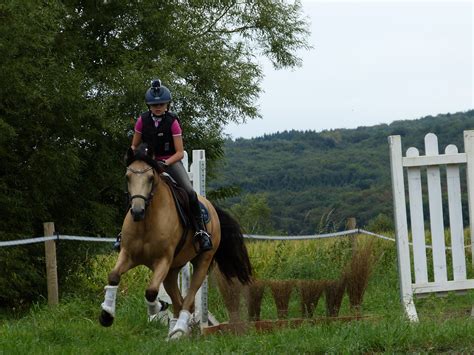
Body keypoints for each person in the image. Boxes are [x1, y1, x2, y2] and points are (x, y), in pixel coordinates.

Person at [117, 79, 212, 253]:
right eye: (154, 105)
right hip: (147, 162)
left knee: (189, 192)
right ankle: (122, 234)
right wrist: (130, 157)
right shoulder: (142, 121)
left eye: (161, 104)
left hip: (170, 161)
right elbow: (134, 145)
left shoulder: (172, 122)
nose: (158, 107)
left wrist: (165, 163)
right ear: (149, 106)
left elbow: (180, 152)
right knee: (133, 190)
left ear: (167, 104)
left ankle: (200, 231)